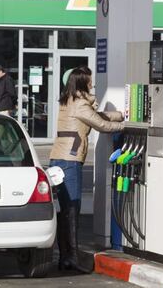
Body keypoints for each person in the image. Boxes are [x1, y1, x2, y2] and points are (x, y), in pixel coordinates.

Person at [49, 66, 124, 273]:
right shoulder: (81, 104)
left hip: (58, 159)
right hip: (69, 161)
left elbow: (95, 115)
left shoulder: (68, 101)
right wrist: (125, 125)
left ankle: (65, 257)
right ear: (83, 82)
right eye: (90, 80)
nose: (93, 83)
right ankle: (72, 257)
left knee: (65, 210)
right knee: (72, 210)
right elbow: (101, 125)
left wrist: (119, 114)